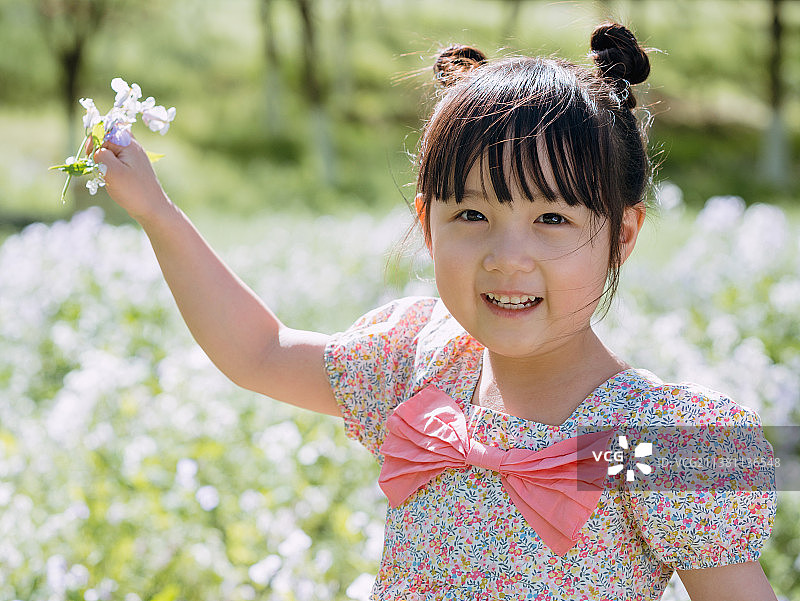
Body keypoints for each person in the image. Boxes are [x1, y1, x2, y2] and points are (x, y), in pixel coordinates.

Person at [95, 22, 778, 601]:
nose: (508, 257)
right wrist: (158, 213)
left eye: (551, 218)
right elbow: (260, 352)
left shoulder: (649, 436)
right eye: (473, 213)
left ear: (622, 235)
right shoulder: (420, 363)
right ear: (428, 225)